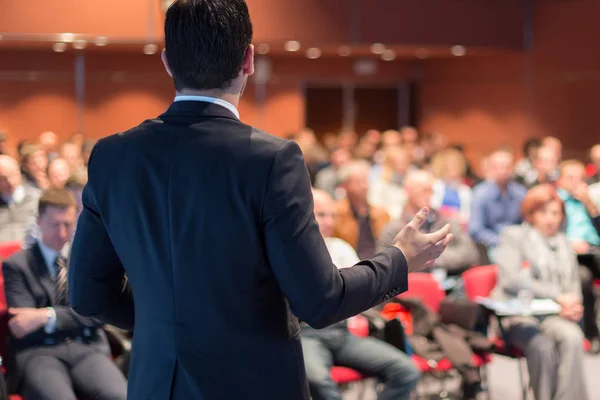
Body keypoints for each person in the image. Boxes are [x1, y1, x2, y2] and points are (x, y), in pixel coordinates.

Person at [67, 1, 453, 399]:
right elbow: (320, 301)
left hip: (155, 384)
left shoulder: (112, 155)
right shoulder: (271, 160)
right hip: (254, 384)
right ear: (248, 59)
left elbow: (87, 294)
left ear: (167, 62)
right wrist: (399, 259)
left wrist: (166, 322)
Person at [2, 189, 127, 400]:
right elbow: (22, 325)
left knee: (120, 396)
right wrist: (74, 316)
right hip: (39, 352)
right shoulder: (16, 265)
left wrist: (45, 316)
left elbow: (96, 315)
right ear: (39, 221)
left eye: (67, 224)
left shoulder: (86, 260)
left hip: (85, 347)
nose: (62, 233)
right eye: (54, 224)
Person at [302, 189, 420, 400]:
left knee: (406, 370)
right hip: (308, 333)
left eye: (332, 215)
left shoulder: (341, 248)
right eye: (321, 215)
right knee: (317, 381)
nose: (329, 221)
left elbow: (364, 290)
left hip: (341, 332)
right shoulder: (294, 252)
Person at [492, 184, 589, 400]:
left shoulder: (564, 242)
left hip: (554, 315)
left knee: (572, 337)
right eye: (543, 212)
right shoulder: (514, 236)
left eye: (556, 213)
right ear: (530, 213)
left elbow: (573, 283)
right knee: (542, 347)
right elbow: (512, 279)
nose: (550, 219)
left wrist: (573, 306)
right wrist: (557, 296)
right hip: (519, 314)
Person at [468, 149, 527, 262]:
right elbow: (475, 229)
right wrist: (500, 240)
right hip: (493, 244)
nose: (503, 171)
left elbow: (526, 222)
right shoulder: (480, 193)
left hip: (518, 241)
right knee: (507, 259)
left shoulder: (521, 192)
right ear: (491, 169)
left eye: (507, 167)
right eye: (499, 167)